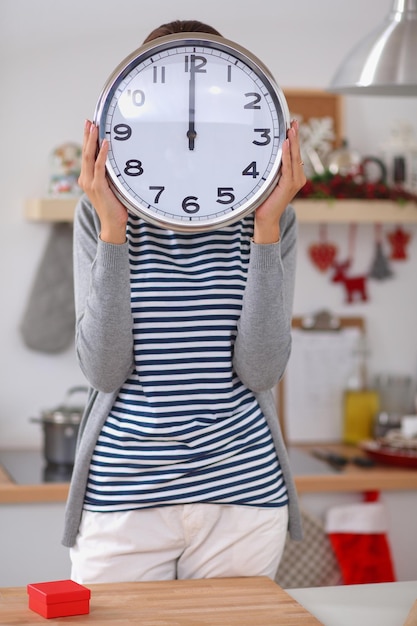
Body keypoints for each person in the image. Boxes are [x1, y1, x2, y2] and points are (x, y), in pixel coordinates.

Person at [62, 19, 306, 583]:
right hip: (124, 495)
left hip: (243, 497)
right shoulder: (99, 217)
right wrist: (113, 230)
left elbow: (262, 368)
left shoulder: (272, 220)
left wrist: (266, 229)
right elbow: (104, 368)